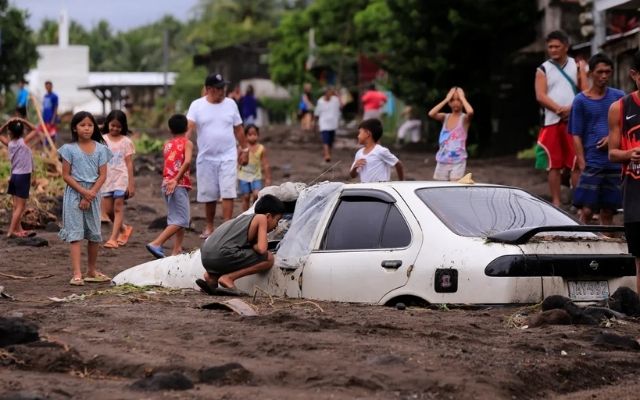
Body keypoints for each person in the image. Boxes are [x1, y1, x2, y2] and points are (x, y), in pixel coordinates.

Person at [186, 73, 249, 238]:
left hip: (228, 155)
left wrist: (245, 150)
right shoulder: (196, 105)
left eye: (223, 87)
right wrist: (181, 147)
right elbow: (189, 128)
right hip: (206, 157)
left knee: (228, 191)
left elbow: (239, 128)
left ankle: (227, 227)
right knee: (209, 194)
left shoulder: (231, 104)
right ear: (208, 89)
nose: (222, 91)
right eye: (218, 88)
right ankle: (209, 227)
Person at [58, 111, 112, 286]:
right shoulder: (69, 149)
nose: (87, 128)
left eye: (90, 125)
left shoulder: (101, 149)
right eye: (82, 125)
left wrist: (90, 194)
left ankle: (91, 270)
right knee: (75, 235)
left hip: (94, 194)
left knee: (94, 235)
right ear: (75, 128)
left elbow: (103, 175)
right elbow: (66, 175)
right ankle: (77, 273)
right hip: (74, 193)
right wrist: (83, 192)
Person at [569, 53, 625, 225]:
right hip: (592, 161)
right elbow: (575, 133)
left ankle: (609, 247)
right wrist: (581, 162)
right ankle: (581, 244)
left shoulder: (619, 97)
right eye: (600, 72)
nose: (604, 76)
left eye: (607, 72)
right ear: (591, 73)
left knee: (608, 210)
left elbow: (627, 125)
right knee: (586, 209)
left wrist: (611, 138)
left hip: (614, 161)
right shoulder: (580, 101)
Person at [535, 30, 588, 206]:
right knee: (553, 164)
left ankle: (577, 202)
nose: (553, 50)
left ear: (566, 46)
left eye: (557, 46)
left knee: (575, 162)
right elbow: (540, 96)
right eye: (550, 46)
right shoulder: (543, 69)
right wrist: (559, 109)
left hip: (574, 120)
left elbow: (586, 91)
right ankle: (556, 202)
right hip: (551, 121)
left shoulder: (578, 66)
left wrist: (571, 109)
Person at [196, 194, 285, 294]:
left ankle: (211, 278)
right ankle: (228, 278)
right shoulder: (261, 218)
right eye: (277, 220)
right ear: (268, 216)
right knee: (269, 258)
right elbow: (262, 249)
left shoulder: (241, 220)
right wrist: (255, 246)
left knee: (234, 252)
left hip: (206, 257)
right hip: (221, 255)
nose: (276, 226)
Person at [609, 49, 640, 294]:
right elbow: (612, 153)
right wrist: (629, 154)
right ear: (634, 75)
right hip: (635, 193)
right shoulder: (620, 107)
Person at [146, 114, 193, 258]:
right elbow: (187, 162)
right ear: (186, 127)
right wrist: (177, 180)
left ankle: (177, 249)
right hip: (176, 184)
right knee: (182, 219)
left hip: (166, 183)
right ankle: (156, 243)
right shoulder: (187, 143)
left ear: (170, 129)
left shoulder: (167, 144)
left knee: (176, 218)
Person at [100, 110, 135, 249]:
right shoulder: (102, 140)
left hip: (121, 178)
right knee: (108, 211)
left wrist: (131, 184)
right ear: (108, 123)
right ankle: (124, 229)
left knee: (118, 208)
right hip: (107, 179)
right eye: (112, 125)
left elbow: (129, 163)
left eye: (118, 126)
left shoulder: (126, 142)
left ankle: (113, 239)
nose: (115, 128)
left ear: (123, 127)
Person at [0, 117, 39, 238]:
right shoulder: (23, 142)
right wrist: (23, 121)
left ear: (10, 133)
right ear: (22, 132)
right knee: (21, 207)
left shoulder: (10, 144)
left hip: (14, 177)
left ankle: (18, 229)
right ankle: (11, 232)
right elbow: (36, 130)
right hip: (23, 177)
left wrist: (7, 123)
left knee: (16, 206)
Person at [428, 87, 474, 181]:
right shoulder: (445, 117)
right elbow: (431, 113)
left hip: (458, 161)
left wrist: (462, 97)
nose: (455, 102)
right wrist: (446, 99)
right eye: (452, 100)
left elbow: (470, 112)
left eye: (458, 100)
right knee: (440, 188)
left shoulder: (464, 119)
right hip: (442, 159)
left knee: (454, 187)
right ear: (449, 102)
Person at [350, 118, 404, 182]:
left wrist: (401, 182)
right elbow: (352, 175)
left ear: (368, 133)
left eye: (360, 133)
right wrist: (355, 168)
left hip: (381, 190)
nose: (358, 136)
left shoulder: (381, 151)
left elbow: (398, 164)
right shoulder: (359, 153)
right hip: (366, 189)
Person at [238, 124, 272, 211]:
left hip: (256, 176)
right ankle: (245, 214)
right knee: (245, 196)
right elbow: (237, 161)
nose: (252, 137)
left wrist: (267, 178)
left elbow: (265, 163)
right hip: (243, 176)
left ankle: (253, 211)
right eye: (250, 135)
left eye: (255, 134)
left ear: (258, 135)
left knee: (256, 195)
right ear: (245, 136)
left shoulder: (261, 148)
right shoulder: (242, 148)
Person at [314, 87, 342, 162]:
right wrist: (315, 123)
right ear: (325, 93)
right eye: (328, 93)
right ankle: (327, 154)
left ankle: (328, 153)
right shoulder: (320, 101)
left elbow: (341, 106)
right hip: (324, 123)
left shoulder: (335, 100)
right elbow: (317, 112)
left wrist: (338, 95)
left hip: (333, 123)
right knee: (325, 139)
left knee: (331, 140)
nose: (329, 95)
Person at [39, 81, 59, 145]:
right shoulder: (45, 96)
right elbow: (44, 107)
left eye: (49, 86)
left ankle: (53, 148)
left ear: (51, 87)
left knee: (52, 134)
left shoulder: (54, 96)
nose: (48, 88)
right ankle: (47, 148)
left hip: (51, 118)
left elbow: (55, 108)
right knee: (45, 133)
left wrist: (53, 119)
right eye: (46, 86)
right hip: (45, 118)